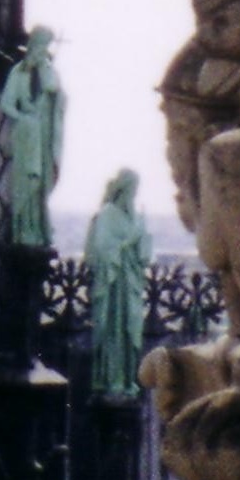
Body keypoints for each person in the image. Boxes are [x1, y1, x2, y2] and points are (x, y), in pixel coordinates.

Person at [0, 25, 65, 251]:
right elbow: (6, 103)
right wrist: (23, 118)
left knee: (41, 185)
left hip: (44, 135)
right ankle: (24, 229)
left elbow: (59, 100)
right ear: (33, 46)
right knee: (27, 183)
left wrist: (56, 98)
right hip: (27, 137)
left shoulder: (50, 72)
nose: (44, 51)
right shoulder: (19, 72)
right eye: (41, 45)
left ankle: (38, 230)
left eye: (46, 47)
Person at [84, 169, 152, 398]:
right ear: (123, 189)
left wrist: (143, 235)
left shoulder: (133, 216)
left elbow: (143, 256)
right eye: (132, 189)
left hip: (129, 285)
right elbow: (102, 249)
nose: (134, 195)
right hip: (113, 288)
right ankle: (113, 380)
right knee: (114, 331)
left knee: (129, 329)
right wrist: (130, 240)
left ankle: (126, 379)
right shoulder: (107, 214)